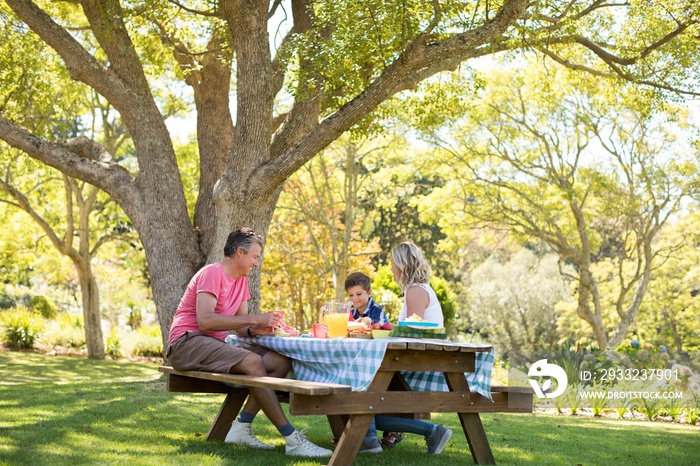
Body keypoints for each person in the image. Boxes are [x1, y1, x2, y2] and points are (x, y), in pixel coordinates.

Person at [166, 228, 332, 458]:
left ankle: (242, 427)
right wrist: (256, 318)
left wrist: (259, 329)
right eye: (254, 257)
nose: (256, 263)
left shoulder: (240, 281)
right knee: (253, 362)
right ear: (240, 252)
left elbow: (240, 327)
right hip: (187, 344)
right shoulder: (212, 273)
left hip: (212, 345)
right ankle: (292, 439)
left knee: (279, 360)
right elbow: (205, 321)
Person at [345, 266, 452, 455]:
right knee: (357, 404)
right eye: (351, 295)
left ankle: (369, 441)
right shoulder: (350, 313)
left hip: (385, 363)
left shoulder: (377, 310)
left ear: (369, 292)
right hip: (366, 362)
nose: (355, 299)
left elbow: (381, 331)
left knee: (361, 404)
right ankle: (368, 439)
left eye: (359, 294)